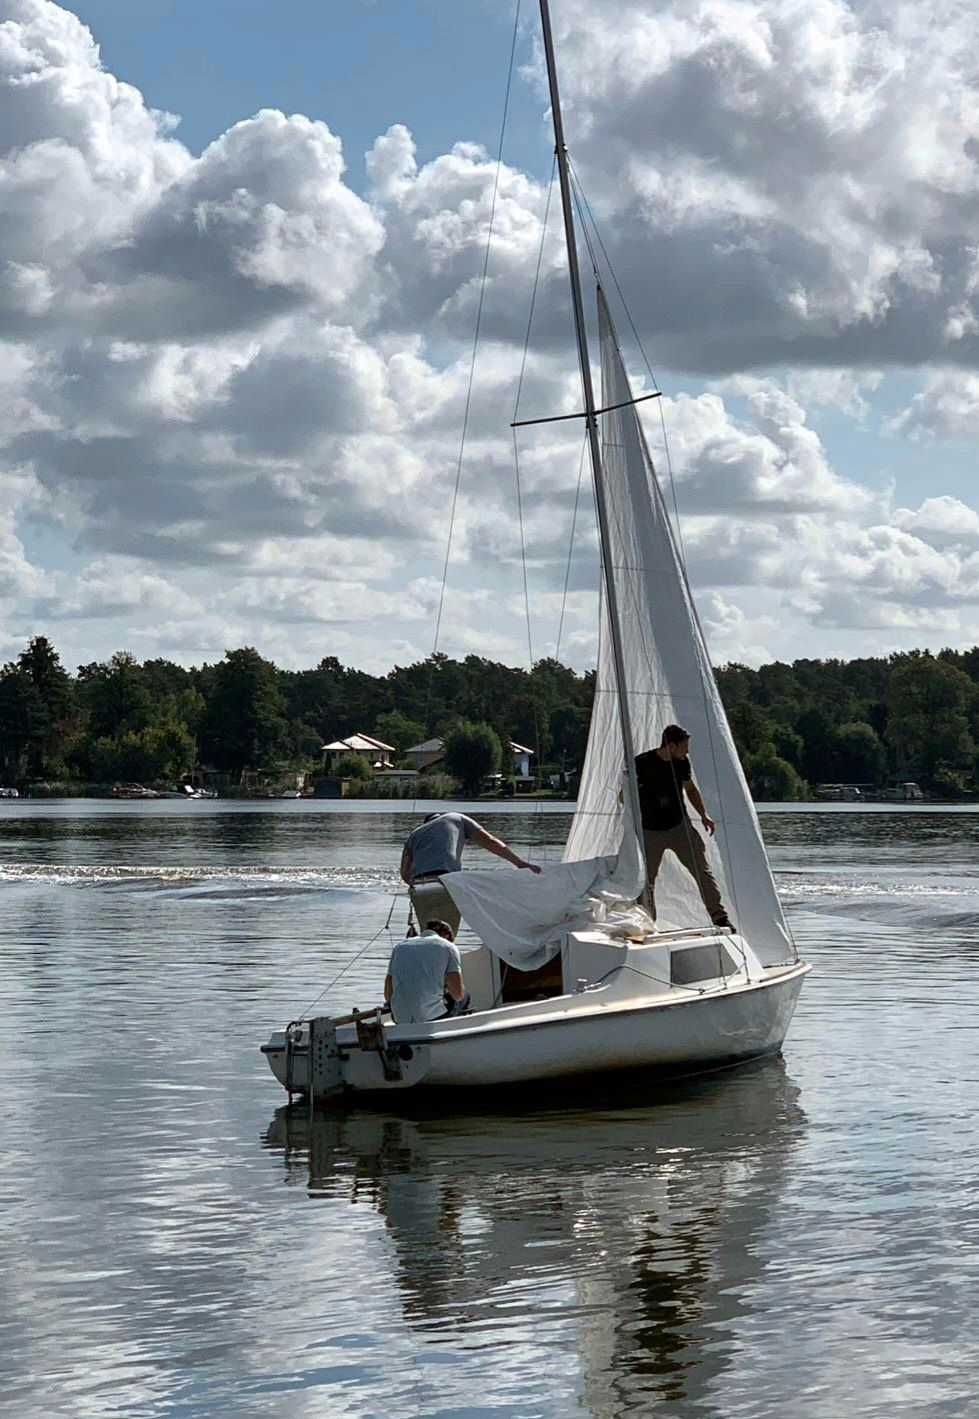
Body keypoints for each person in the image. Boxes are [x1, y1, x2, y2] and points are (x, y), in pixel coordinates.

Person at [635, 724, 734, 930]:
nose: (687, 751)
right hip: (650, 830)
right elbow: (625, 793)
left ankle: (719, 917)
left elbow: (690, 789)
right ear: (671, 746)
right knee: (646, 880)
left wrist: (703, 815)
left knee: (702, 871)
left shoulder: (682, 763)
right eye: (684, 746)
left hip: (680, 827)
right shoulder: (642, 763)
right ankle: (646, 922)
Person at [400, 810, 541, 936]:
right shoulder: (456, 818)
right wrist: (519, 863)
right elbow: (490, 841)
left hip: (419, 888)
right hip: (445, 883)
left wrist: (422, 884)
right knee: (446, 939)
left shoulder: (415, 834)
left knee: (429, 936)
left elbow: (405, 874)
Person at [384, 919, 469, 1024]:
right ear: (446, 935)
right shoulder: (448, 947)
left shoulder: (399, 947)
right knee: (465, 996)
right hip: (430, 1017)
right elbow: (457, 994)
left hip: (399, 1017)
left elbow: (388, 995)